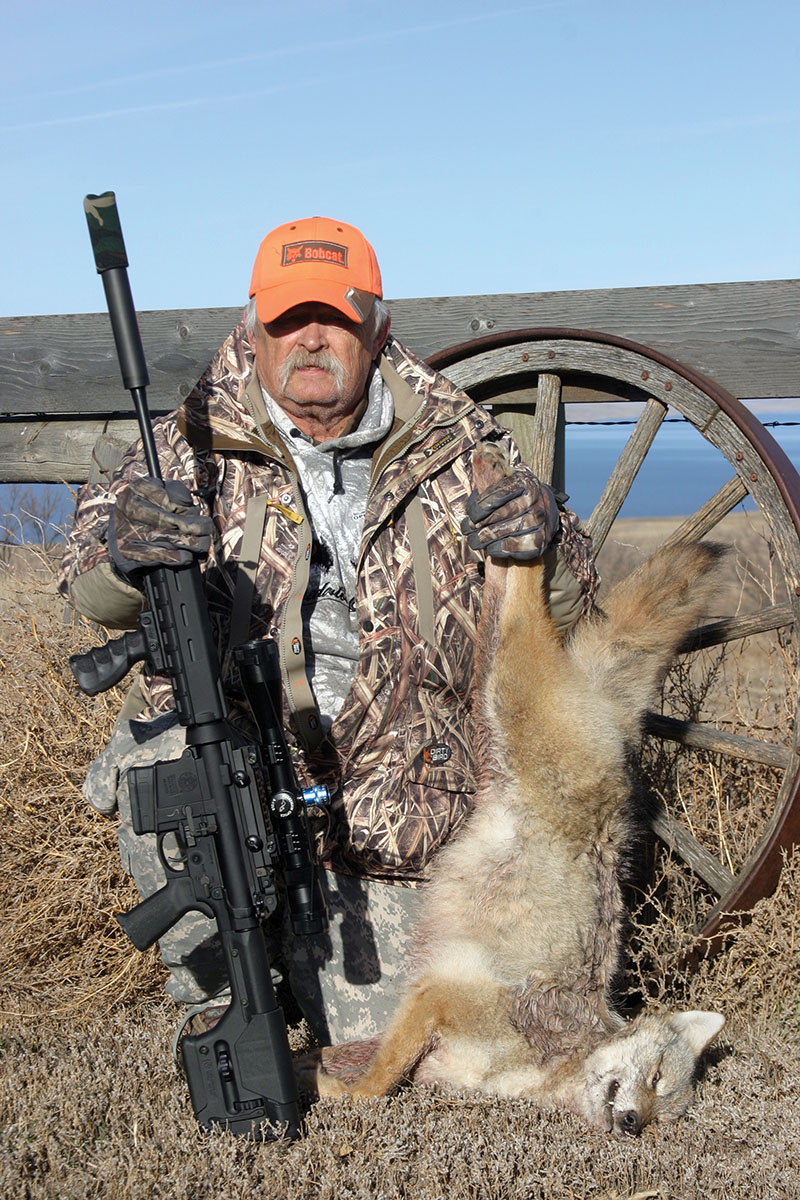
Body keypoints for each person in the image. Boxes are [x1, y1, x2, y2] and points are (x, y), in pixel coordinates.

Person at [59, 216, 598, 1045]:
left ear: (377, 327)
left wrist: (546, 549)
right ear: (253, 328)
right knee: (159, 759)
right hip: (238, 775)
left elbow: (574, 623)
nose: (310, 339)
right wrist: (125, 550)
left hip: (398, 802)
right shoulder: (184, 447)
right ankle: (214, 980)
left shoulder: (469, 452)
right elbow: (92, 594)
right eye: (286, 319)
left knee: (413, 1047)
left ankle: (310, 959)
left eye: (336, 318)